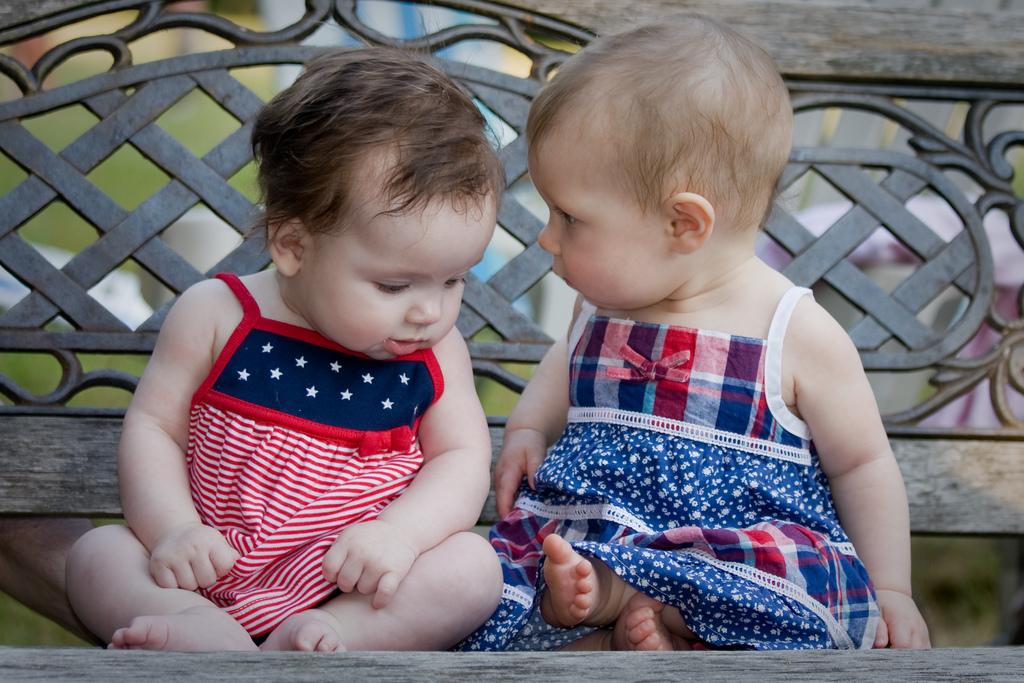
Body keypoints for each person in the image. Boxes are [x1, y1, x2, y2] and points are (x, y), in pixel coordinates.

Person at [458, 14, 930, 652]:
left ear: (683, 223)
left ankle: (658, 621)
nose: (547, 238)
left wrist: (892, 589)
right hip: (606, 530)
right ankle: (613, 612)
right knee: (535, 569)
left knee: (799, 589)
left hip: (735, 550)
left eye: (570, 217)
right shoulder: (597, 308)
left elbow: (863, 464)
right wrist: (527, 430)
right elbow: (563, 368)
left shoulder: (794, 331)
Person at [66, 47, 504, 652]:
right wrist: (173, 531)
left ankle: (328, 637)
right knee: (98, 554)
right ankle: (203, 631)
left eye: (454, 280)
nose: (430, 312)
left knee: (473, 569)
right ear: (292, 245)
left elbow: (459, 458)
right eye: (394, 285)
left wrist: (398, 535)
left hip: (345, 585)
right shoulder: (218, 315)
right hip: (203, 569)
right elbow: (154, 428)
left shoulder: (435, 353)